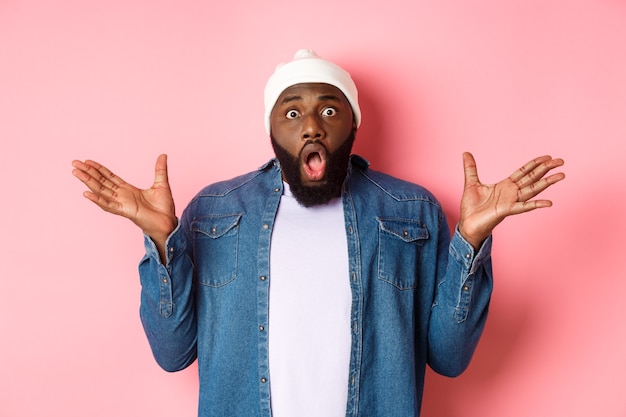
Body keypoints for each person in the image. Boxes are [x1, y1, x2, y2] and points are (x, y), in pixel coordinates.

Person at [71, 49, 565, 417]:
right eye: (292, 112)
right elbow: (172, 354)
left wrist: (471, 242)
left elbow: (450, 359)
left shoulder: (411, 211)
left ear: (353, 122)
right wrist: (163, 241)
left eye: (329, 109)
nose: (311, 125)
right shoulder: (214, 212)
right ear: (271, 130)